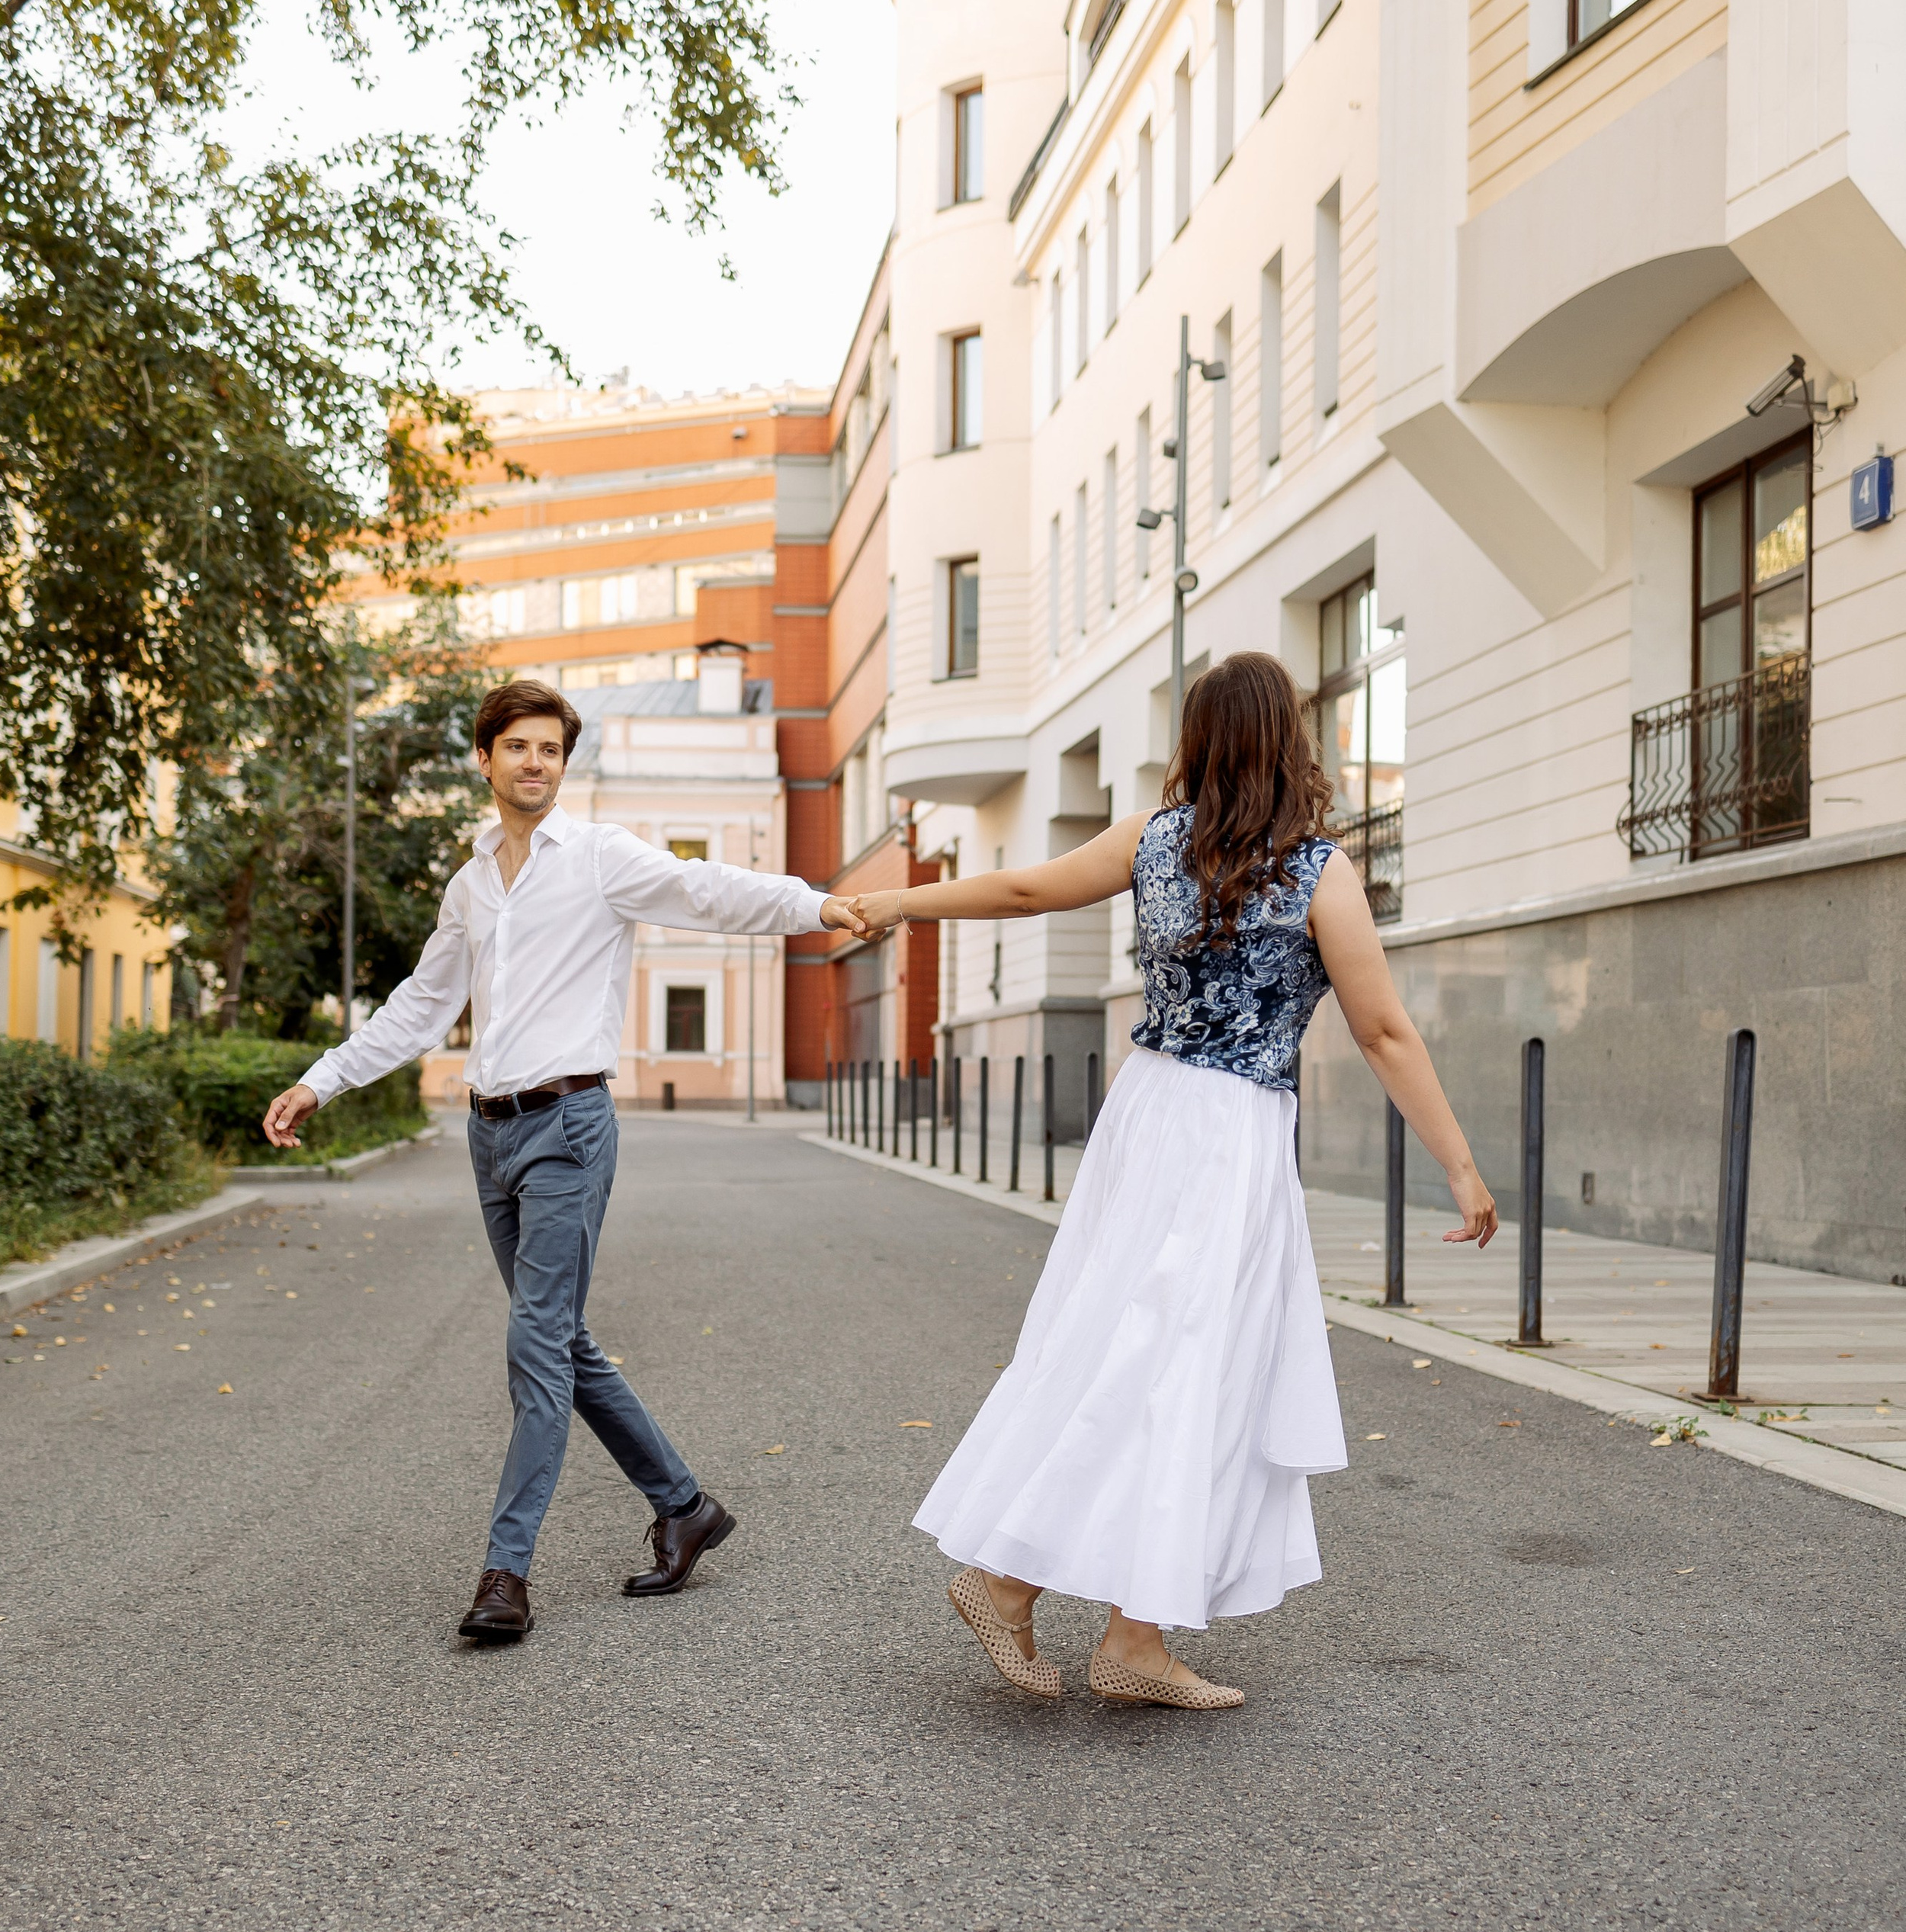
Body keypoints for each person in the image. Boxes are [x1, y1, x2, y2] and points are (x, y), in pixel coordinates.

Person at [852, 650, 1496, 1712]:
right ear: (1289, 743)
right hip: (1229, 1132)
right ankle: (1015, 1584)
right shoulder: (1316, 870)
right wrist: (1461, 1167)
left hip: (1147, 1112)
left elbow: (1023, 888)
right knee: (1179, 1362)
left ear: (1198, 740)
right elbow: (1382, 1028)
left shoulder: (1154, 841)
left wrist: (900, 903)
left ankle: (1132, 1633)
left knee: (1146, 1350)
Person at [262, 677, 870, 1642]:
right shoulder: (471, 884)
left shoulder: (598, 857)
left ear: (563, 762)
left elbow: (707, 888)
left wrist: (822, 905)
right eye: (518, 746)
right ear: (485, 758)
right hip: (490, 1133)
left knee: (535, 1347)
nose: (535, 762)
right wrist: (320, 1080)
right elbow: (422, 1005)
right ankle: (685, 1508)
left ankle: (506, 1573)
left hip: (568, 1128)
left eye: (550, 748)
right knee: (561, 1341)